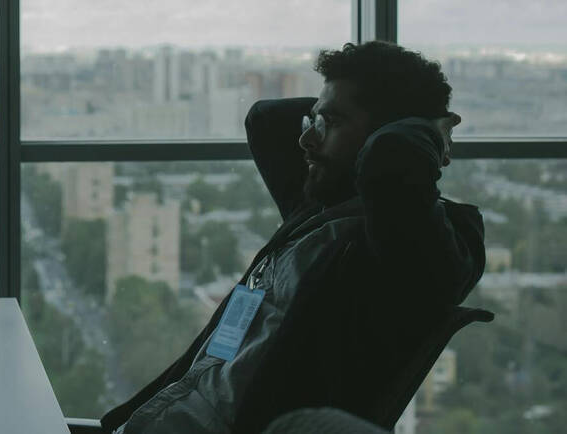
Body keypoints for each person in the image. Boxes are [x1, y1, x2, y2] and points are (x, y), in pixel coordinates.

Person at [100, 41, 486, 433]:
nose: (307, 140)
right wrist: (330, 114)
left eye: (330, 123)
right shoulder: (317, 208)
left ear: (383, 138)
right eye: (314, 121)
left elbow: (390, 157)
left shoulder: (422, 248)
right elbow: (265, 119)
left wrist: (426, 129)